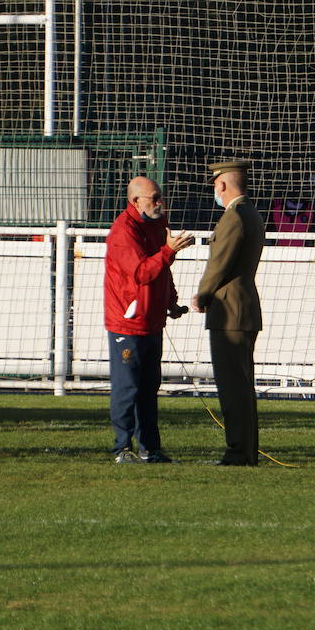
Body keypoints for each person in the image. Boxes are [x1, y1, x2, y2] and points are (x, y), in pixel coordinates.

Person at [103, 176, 192, 463]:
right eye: (153, 198)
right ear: (135, 201)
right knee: (127, 388)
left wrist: (170, 301)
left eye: (160, 196)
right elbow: (141, 273)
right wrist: (169, 250)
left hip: (152, 320)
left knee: (148, 388)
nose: (159, 202)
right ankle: (122, 448)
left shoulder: (156, 223)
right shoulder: (123, 231)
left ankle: (150, 449)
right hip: (128, 324)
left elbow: (162, 270)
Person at [192, 160, 265, 466]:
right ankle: (246, 450)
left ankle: (238, 451)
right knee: (242, 387)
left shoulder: (233, 216)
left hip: (229, 311)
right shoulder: (251, 213)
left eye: (215, 184)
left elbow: (219, 263)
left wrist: (202, 294)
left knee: (232, 387)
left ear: (222, 184)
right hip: (243, 308)